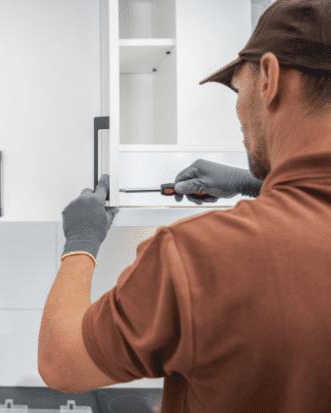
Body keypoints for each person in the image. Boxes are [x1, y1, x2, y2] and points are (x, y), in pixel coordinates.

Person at [38, 1, 331, 411]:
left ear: (269, 78)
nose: (239, 108)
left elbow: (61, 362)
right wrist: (256, 185)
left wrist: (80, 242)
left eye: (237, 87)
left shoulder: (200, 256)